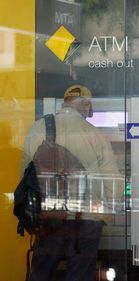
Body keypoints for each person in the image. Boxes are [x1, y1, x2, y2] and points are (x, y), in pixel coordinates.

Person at [20, 85, 123, 281]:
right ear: (85, 105)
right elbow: (114, 182)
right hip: (86, 218)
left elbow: (25, 178)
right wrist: (102, 215)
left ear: (64, 103)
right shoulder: (95, 134)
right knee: (80, 273)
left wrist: (33, 213)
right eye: (89, 108)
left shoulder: (37, 129)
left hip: (50, 215)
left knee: (42, 273)